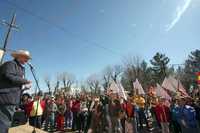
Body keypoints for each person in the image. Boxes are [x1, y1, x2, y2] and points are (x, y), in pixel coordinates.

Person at [0, 50, 31, 133]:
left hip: (11, 100)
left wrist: (24, 88)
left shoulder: (18, 67)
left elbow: (13, 86)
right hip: (6, 99)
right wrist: (25, 80)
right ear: (19, 56)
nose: (27, 60)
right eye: (26, 58)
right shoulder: (10, 64)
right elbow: (8, 75)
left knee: (6, 123)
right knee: (4, 124)